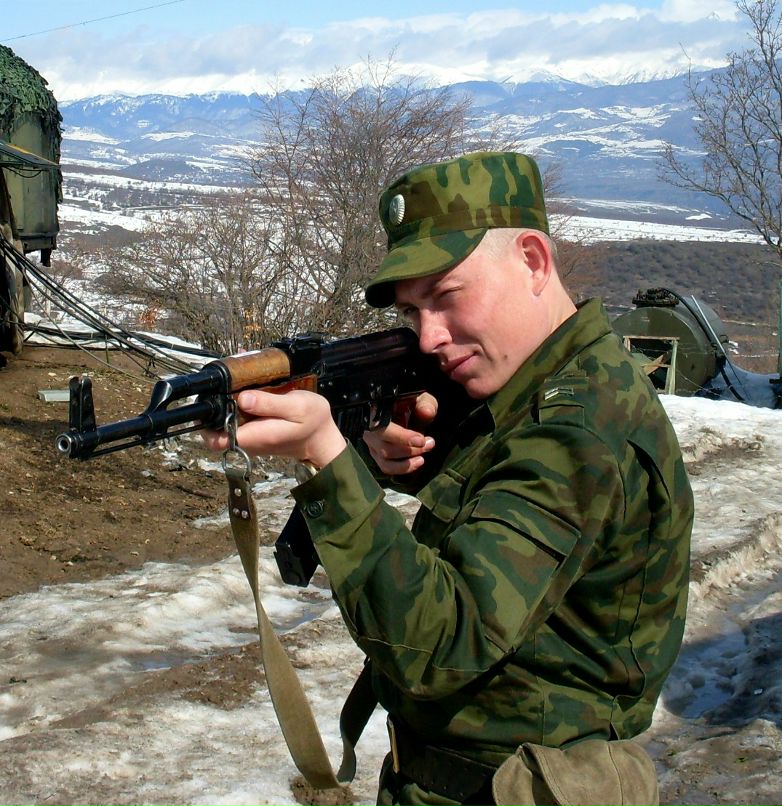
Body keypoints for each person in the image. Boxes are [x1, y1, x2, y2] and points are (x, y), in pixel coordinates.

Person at [205, 151, 693, 806]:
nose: (429, 336)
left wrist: (330, 460)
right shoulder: (550, 387)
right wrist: (407, 449)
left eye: (446, 296)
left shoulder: (579, 429)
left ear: (533, 261)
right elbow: (507, 495)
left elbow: (443, 645)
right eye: (412, 311)